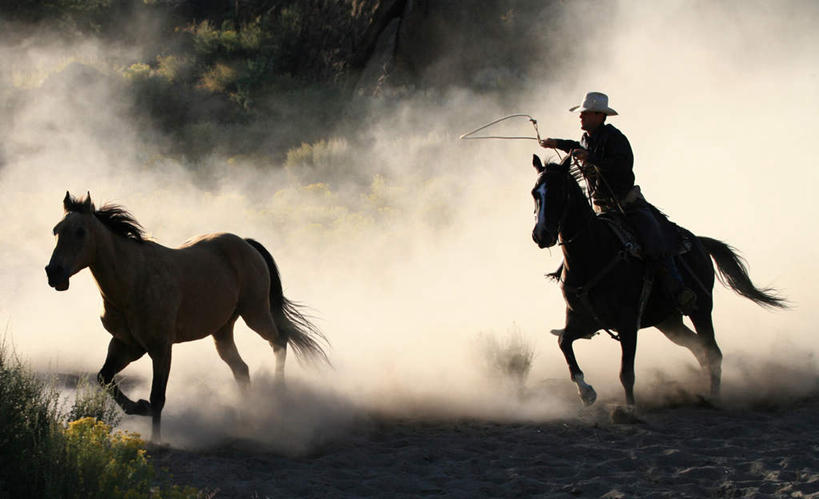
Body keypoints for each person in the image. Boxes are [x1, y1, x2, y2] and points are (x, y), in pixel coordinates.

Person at [540, 91, 696, 314]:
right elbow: (577, 146)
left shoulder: (616, 139)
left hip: (627, 204)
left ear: (599, 115)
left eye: (585, 113)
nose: (580, 117)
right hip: (601, 207)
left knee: (654, 240)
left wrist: (591, 158)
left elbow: (622, 166)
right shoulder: (587, 139)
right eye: (581, 113)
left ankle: (679, 291)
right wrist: (556, 143)